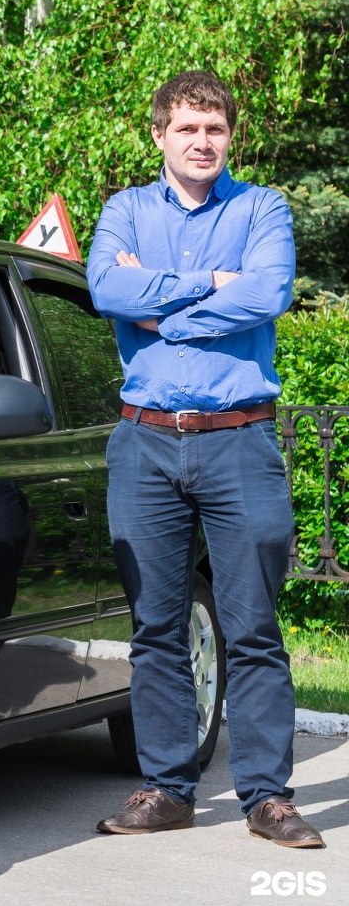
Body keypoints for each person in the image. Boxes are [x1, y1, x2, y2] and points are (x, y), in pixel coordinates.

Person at [86, 70, 325, 849]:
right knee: (156, 625)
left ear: (230, 137)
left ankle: (267, 797)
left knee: (252, 625)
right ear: (159, 134)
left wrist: (166, 309)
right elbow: (103, 289)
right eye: (187, 128)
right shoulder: (124, 210)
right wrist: (207, 285)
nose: (201, 142)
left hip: (240, 440)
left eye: (214, 130)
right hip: (145, 441)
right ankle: (166, 787)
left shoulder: (262, 208)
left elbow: (267, 294)